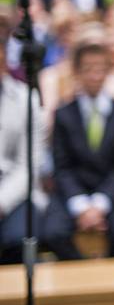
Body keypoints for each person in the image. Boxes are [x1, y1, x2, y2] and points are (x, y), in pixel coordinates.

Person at [45, 42, 114, 260]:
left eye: (100, 68)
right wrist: (81, 207)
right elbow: (62, 166)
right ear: (76, 72)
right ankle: (80, 278)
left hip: (110, 190)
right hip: (73, 190)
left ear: (108, 70)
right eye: (88, 68)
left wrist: (99, 205)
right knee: (52, 233)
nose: (95, 75)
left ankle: (111, 280)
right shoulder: (63, 114)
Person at [0, 14, 47, 264]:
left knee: (17, 240)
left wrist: (2, 202)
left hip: (15, 194)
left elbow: (29, 165)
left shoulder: (26, 99)